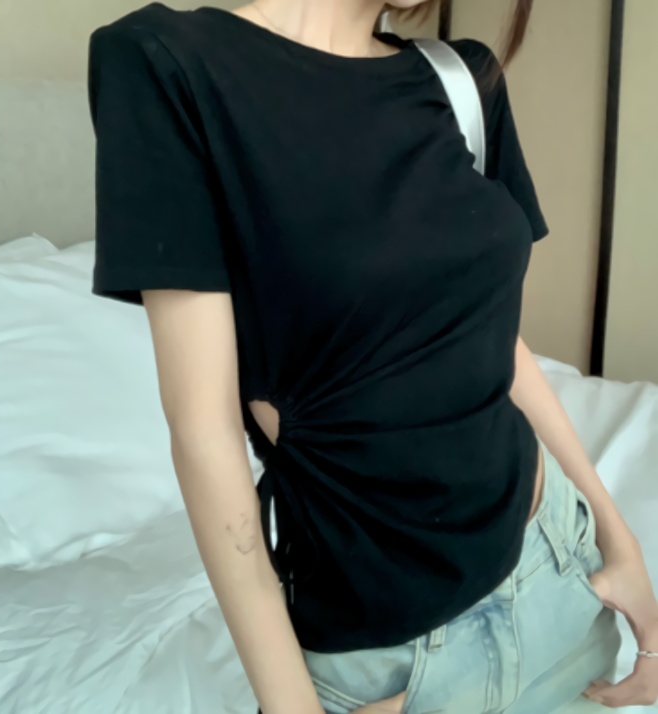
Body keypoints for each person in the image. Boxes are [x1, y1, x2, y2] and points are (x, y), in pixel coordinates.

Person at [86, 1, 658, 712]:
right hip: (390, 665)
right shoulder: (168, 63)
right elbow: (204, 433)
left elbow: (490, 344)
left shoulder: (461, 80)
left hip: (557, 573)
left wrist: (618, 536)